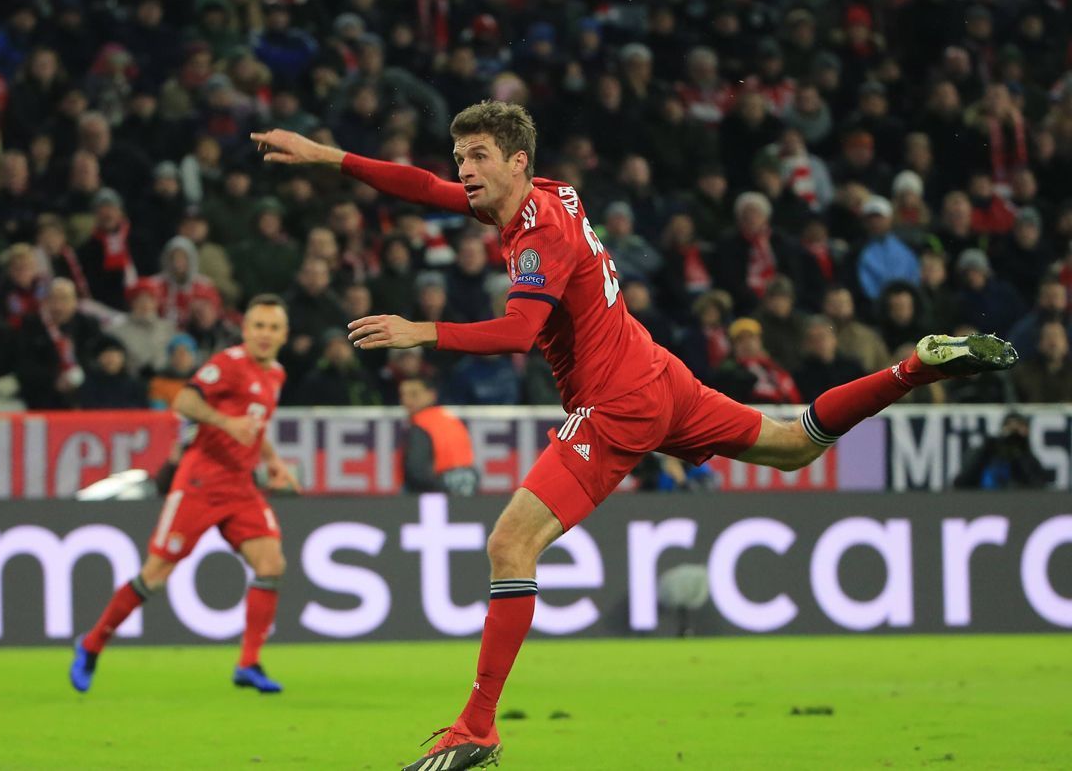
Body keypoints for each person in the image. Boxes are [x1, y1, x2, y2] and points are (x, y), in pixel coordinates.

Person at [251, 102, 1017, 771]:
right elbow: (423, 188)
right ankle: (913, 368)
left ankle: (477, 725)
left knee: (509, 546)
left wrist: (423, 330)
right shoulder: (546, 193)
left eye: (478, 156)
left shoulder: (537, 233)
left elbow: (520, 333)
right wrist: (327, 157)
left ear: (517, 160)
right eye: (460, 156)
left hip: (617, 400)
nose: (464, 170)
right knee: (794, 444)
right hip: (655, 370)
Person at [71, 295, 300, 695]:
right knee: (156, 574)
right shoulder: (228, 365)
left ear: (284, 335)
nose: (265, 334)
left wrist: (273, 460)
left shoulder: (275, 375)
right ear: (245, 330)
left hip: (240, 485)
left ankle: (248, 663)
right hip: (201, 482)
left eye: (273, 327)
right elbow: (185, 400)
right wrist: (225, 423)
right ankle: (92, 645)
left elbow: (256, 425)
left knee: (271, 563)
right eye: (258, 326)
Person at [399, 376, 478, 495]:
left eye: (414, 394)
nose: (406, 401)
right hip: (466, 485)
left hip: (438, 491)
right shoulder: (452, 419)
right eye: (403, 395)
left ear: (431, 394)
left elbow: (417, 472)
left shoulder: (421, 424)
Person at [952, 411, 1053, 490]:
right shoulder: (985, 452)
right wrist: (984, 452)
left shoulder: (1029, 459)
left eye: (1018, 428)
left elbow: (1039, 487)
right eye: (1010, 427)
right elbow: (960, 484)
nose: (1014, 433)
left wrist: (1020, 453)